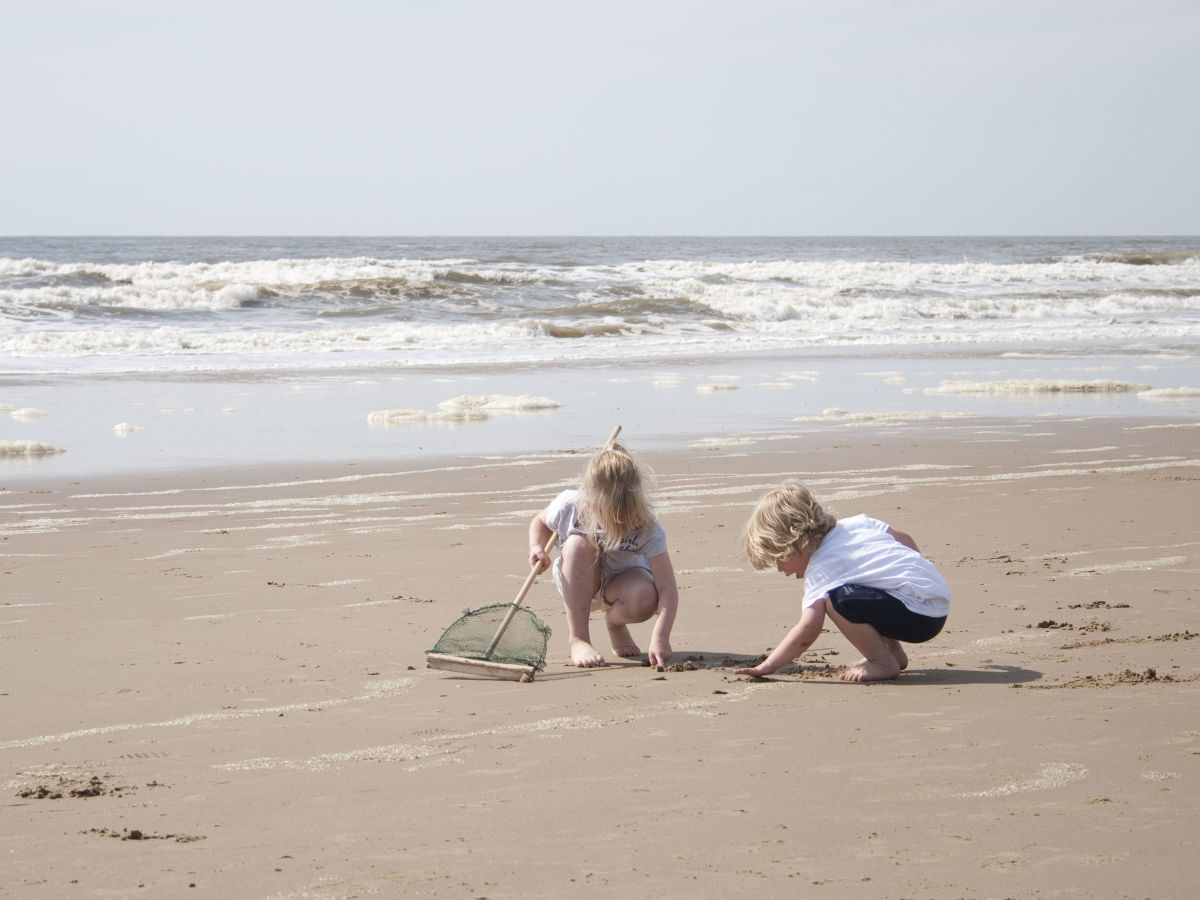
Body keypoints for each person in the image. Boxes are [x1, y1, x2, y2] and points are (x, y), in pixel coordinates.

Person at [734, 479, 949, 682]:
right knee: (871, 585)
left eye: (780, 559)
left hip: (918, 618)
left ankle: (882, 663)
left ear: (796, 543)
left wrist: (768, 665)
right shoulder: (858, 523)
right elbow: (904, 540)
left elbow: (807, 629)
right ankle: (894, 653)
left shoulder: (821, 568)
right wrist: (920, 575)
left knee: (837, 600)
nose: (781, 569)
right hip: (936, 602)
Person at [528, 441, 679, 668]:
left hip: (622, 582)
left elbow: (667, 587)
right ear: (590, 500)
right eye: (611, 515)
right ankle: (579, 639)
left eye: (626, 516)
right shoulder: (570, 505)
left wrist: (661, 636)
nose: (619, 522)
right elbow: (539, 521)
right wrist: (535, 547)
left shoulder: (647, 525)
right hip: (579, 581)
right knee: (578, 544)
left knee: (645, 597)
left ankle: (615, 623)